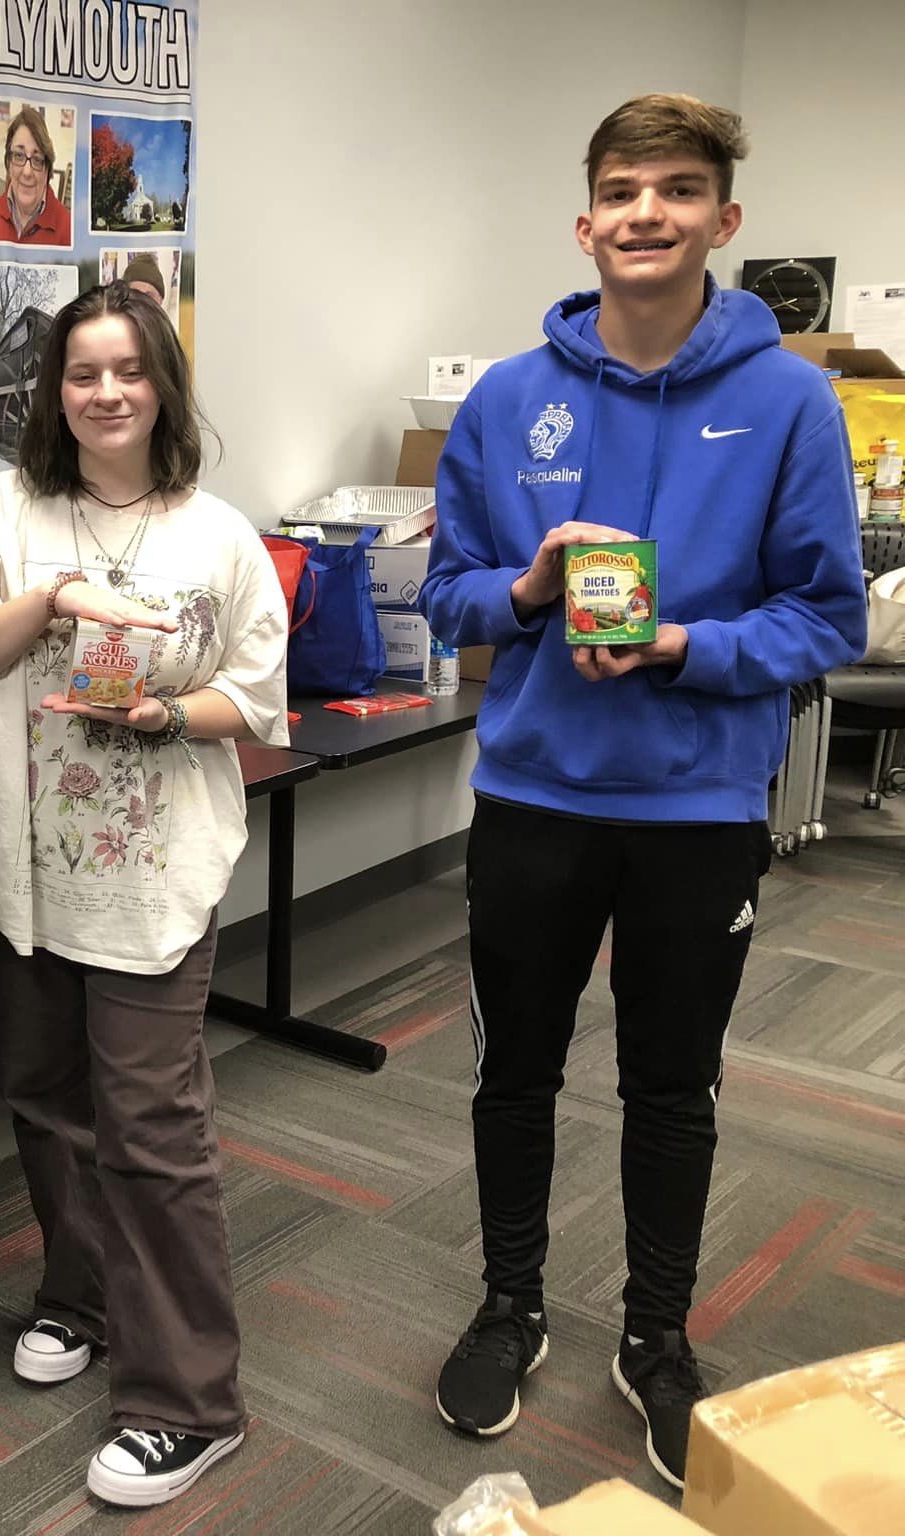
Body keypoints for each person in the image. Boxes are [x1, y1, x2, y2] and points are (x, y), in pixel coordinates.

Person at [419, 95, 866, 1490]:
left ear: (724, 221)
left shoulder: (789, 397)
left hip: (698, 811)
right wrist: (528, 590)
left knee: (672, 1089)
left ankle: (656, 1337)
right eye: (622, 189)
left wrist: (684, 649)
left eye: (679, 191)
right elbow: (443, 601)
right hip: (537, 800)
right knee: (514, 1070)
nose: (647, 214)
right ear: (586, 220)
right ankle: (510, 1303)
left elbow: (827, 619)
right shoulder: (508, 400)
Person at [0, 282, 289, 1510]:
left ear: (162, 386)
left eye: (128, 370)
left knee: (149, 1130)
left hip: (151, 881)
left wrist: (166, 713)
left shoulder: (215, 537)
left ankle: (187, 1398)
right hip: (20, 870)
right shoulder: (3, 514)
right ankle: (75, 1297)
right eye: (82, 372)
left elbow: (256, 699)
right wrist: (50, 604)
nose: (105, 393)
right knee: (43, 1099)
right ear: (52, 390)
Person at [0, 104, 71, 246]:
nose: (27, 172)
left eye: (37, 160)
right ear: (8, 163)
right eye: (19, 155)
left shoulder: (68, 229)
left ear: (47, 169)